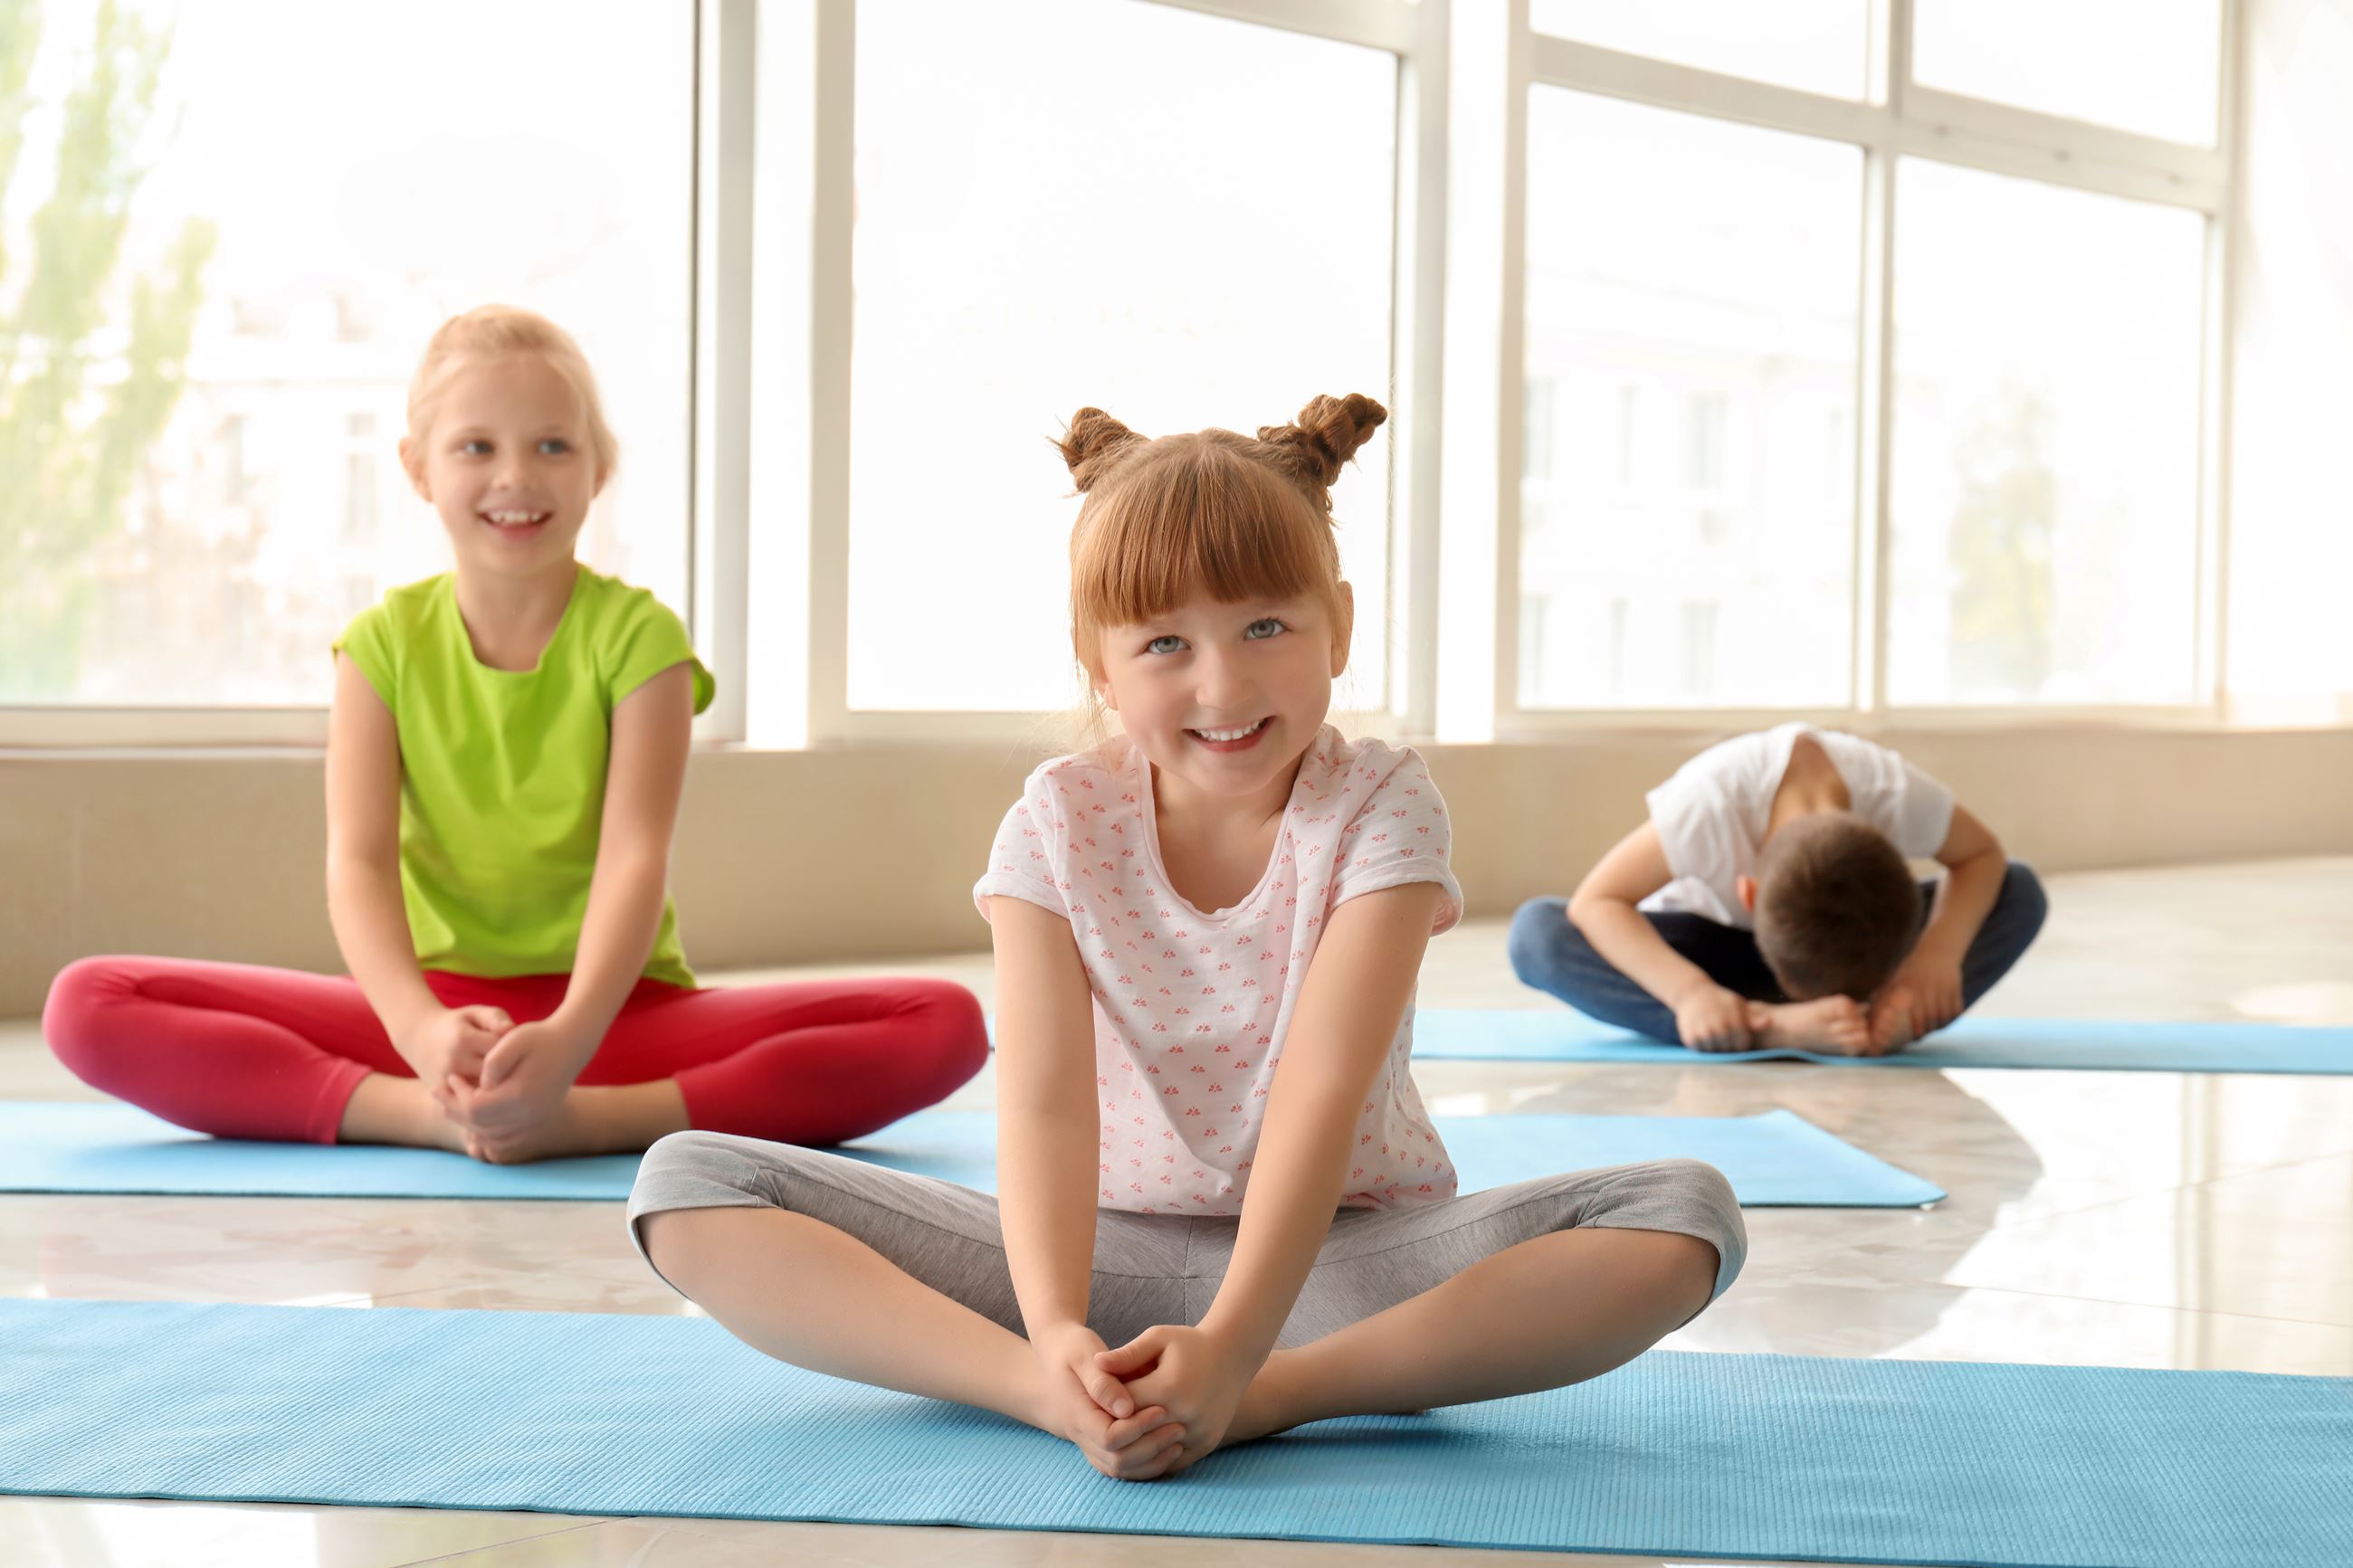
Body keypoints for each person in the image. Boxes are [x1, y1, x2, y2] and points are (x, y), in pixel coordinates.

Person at [629, 393, 1744, 1480]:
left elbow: (1320, 1088)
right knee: (685, 1182)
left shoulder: (1381, 806)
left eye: (1266, 624)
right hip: (1093, 1252)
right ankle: (1041, 1390)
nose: (1223, 682)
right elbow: (1045, 1101)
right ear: (1097, 662)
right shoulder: (1055, 821)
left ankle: (1270, 1401)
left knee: (1681, 1213)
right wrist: (1056, 1327)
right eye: (1165, 641)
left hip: (1333, 1266)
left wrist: (1240, 1354)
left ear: (1339, 625)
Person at [43, 306, 986, 1161]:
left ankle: (590, 1120)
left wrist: (572, 1038)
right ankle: (417, 1113)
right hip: (428, 1020)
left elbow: (632, 858)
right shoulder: (380, 646)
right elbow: (358, 864)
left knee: (942, 1021)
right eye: (475, 447)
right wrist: (419, 1033)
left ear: (597, 467)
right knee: (88, 1002)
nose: (514, 478)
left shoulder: (640, 640)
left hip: (616, 1019)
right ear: (416, 467)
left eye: (550, 446)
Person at [1509, 723, 2047, 1055]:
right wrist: (1691, 993)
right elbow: (1596, 901)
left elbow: (1982, 856)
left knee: (2018, 889)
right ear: (1749, 892)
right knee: (1538, 932)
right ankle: (1765, 1027)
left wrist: (1937, 955)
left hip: (1862, 950)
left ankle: (1888, 1011)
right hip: (1715, 957)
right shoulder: (1712, 804)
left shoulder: (1892, 791)